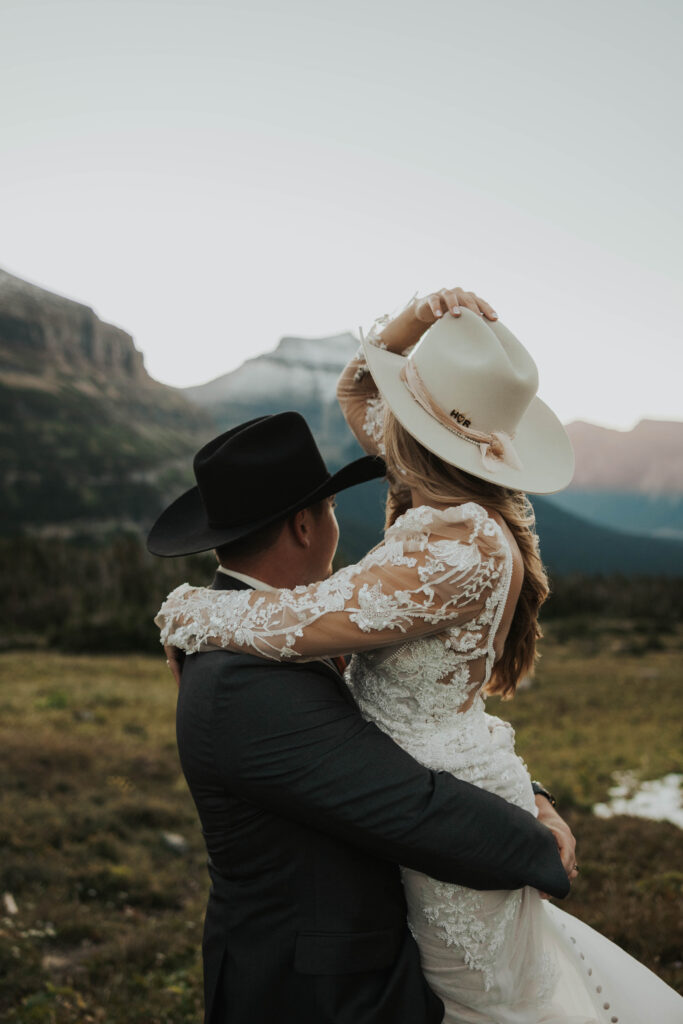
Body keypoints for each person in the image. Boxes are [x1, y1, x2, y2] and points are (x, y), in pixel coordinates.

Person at [156, 287, 683, 1023]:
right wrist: (418, 318)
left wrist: (188, 611)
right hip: (332, 956)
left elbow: (303, 619)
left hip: (434, 826)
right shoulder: (447, 501)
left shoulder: (453, 539)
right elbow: (403, 803)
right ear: (308, 525)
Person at [147, 410, 575, 1024]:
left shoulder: (268, 635)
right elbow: (409, 805)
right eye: (327, 509)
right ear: (304, 525)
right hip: (316, 996)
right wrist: (540, 848)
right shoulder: (243, 681)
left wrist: (531, 794)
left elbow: (389, 730)